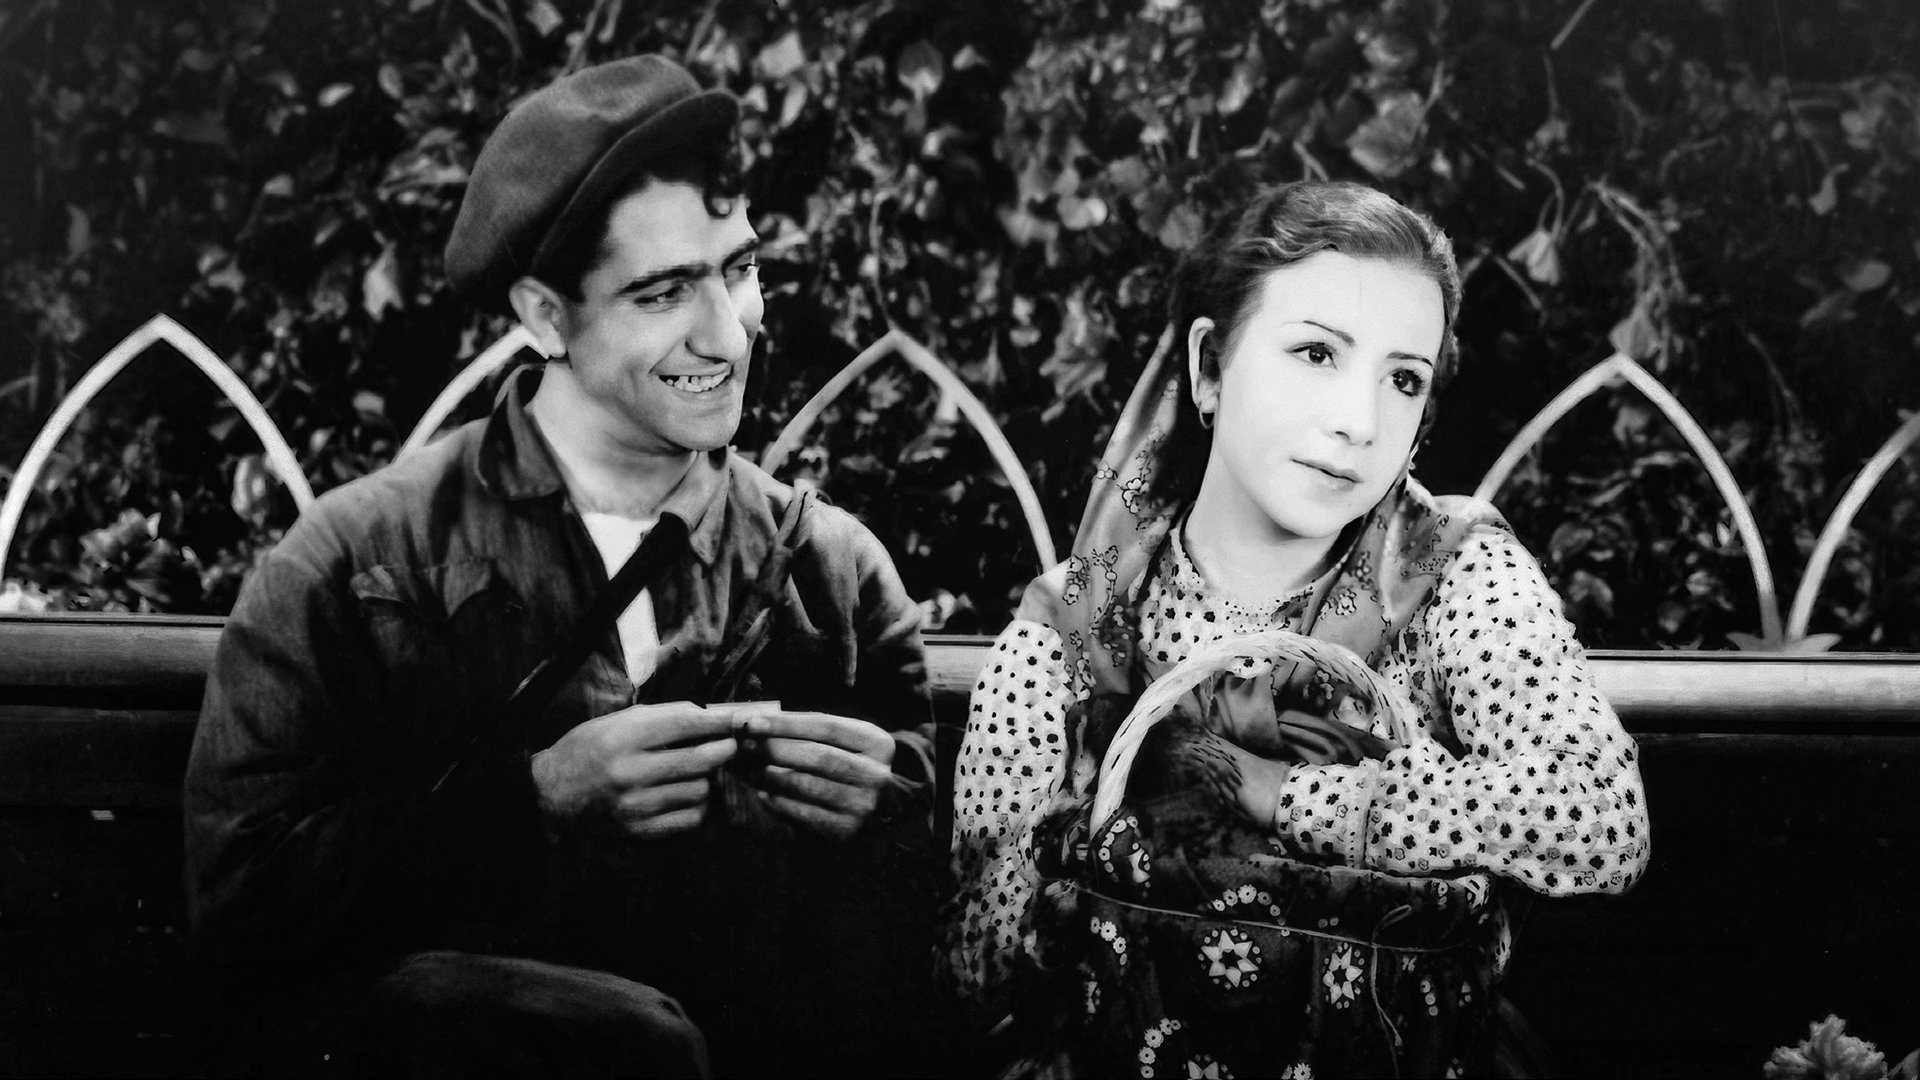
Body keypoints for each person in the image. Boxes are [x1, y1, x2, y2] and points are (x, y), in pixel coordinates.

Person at [184, 55, 947, 1078]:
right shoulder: (358, 566)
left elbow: (917, 949)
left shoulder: (835, 576)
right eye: (662, 293)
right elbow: (243, 903)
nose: (729, 335)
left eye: (738, 270)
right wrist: (531, 802)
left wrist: (888, 815)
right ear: (546, 316)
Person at [947, 181, 1651, 1076]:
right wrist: (1079, 855)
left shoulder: (1452, 574)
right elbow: (979, 975)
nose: (1359, 422)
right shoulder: (1072, 630)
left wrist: (1289, 797)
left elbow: (1600, 815)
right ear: (1210, 367)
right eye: (1317, 353)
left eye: (1403, 379)